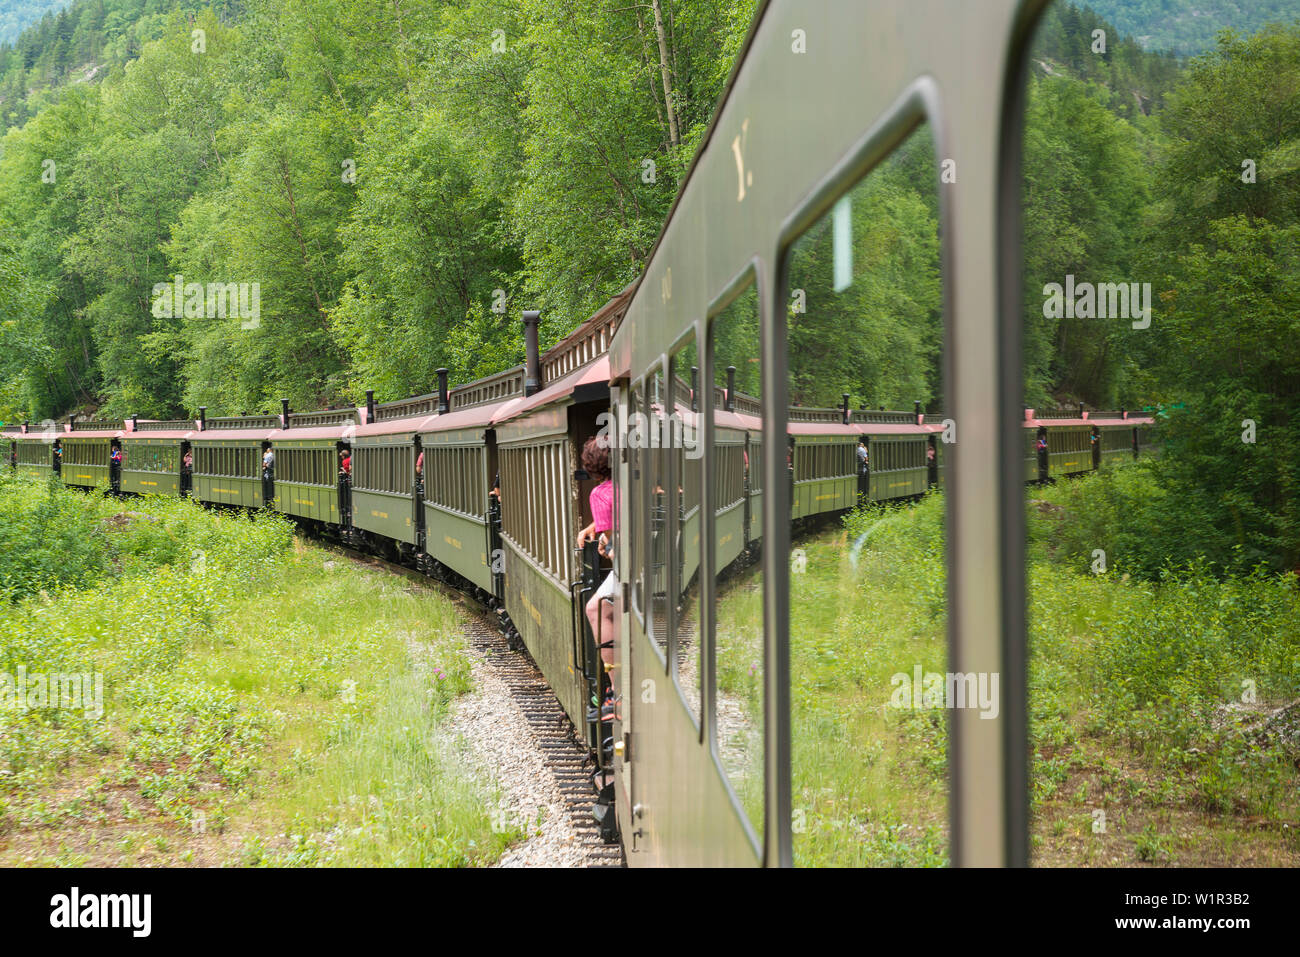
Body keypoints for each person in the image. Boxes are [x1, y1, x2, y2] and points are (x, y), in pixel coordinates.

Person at [576, 436, 617, 693]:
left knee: (596, 608)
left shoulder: (599, 493)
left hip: (633, 566)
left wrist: (606, 545)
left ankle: (616, 689)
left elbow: (614, 540)